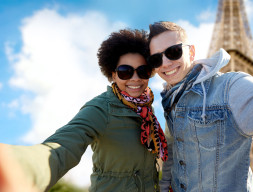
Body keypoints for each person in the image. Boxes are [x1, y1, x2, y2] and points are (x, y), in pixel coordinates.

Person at [0, 29, 168, 192]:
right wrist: (17, 167)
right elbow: (62, 147)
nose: (135, 78)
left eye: (143, 71)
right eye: (125, 72)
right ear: (113, 75)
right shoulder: (101, 109)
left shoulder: (146, 110)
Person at [147, 21, 253, 192]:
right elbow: (172, 159)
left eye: (173, 52)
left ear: (191, 52)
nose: (166, 63)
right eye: (156, 58)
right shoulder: (171, 102)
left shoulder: (230, 87)